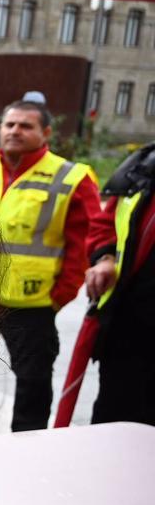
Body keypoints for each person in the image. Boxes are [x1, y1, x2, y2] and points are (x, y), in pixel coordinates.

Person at [0, 98, 100, 435]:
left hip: (33, 304)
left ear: (45, 132)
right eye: (9, 124)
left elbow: (84, 242)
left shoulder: (70, 177)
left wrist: (59, 295)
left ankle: (27, 444)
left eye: (25, 126)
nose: (15, 131)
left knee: (33, 383)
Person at [82, 141, 155, 425]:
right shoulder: (144, 166)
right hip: (129, 328)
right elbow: (105, 223)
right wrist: (105, 258)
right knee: (114, 424)